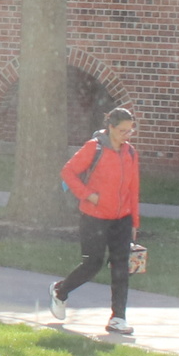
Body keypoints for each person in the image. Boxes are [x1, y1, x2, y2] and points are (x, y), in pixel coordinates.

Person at [52, 107, 143, 336]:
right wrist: (88, 195)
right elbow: (68, 172)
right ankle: (60, 291)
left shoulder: (130, 153)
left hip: (121, 219)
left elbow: (133, 189)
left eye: (130, 130)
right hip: (94, 217)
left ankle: (118, 318)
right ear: (110, 127)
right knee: (92, 263)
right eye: (122, 130)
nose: (126, 135)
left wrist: (134, 222)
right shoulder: (95, 148)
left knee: (121, 267)